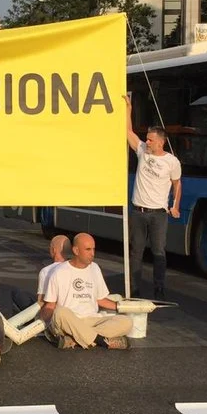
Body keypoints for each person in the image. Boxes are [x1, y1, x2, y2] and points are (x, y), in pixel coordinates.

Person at [126, 94, 182, 299]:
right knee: (136, 252)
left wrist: (175, 206)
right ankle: (134, 289)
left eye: (150, 139)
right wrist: (128, 109)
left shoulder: (172, 162)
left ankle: (159, 289)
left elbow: (177, 184)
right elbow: (128, 131)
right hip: (138, 211)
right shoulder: (141, 150)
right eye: (146, 138)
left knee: (159, 252)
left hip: (159, 214)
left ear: (160, 142)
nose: (146, 141)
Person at [41, 233, 132, 349]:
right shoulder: (59, 272)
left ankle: (76, 339)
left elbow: (100, 299)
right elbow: (50, 305)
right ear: (76, 250)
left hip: (92, 320)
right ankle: (100, 340)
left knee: (127, 321)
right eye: (88, 249)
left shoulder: (95, 268)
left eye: (93, 249)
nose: (92, 253)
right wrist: (42, 323)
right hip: (70, 321)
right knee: (59, 312)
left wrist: (123, 306)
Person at [36, 235, 71, 304]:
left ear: (53, 250)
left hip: (53, 309)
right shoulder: (76, 268)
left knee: (12, 291)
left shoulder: (46, 271)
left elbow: (41, 300)